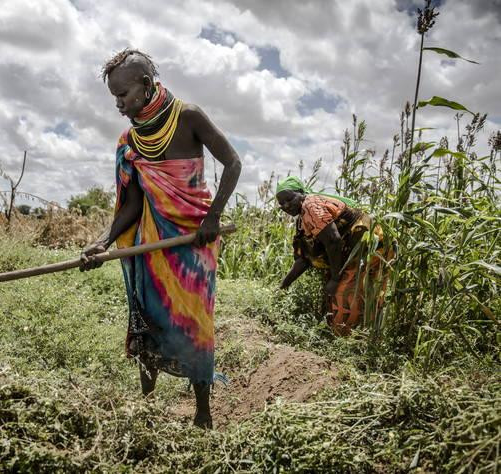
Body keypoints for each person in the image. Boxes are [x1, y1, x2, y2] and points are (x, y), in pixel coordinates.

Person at [79, 49, 241, 429]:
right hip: (150, 246)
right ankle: (148, 404)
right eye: (114, 97)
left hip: (194, 244)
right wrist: (102, 241)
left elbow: (233, 163)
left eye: (123, 95)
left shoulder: (188, 117)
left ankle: (203, 412)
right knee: (146, 320)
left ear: (147, 85)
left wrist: (213, 217)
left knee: (196, 323)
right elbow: (132, 206)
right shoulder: (129, 142)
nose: (118, 104)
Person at [276, 176, 394, 336]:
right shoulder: (303, 220)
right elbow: (304, 259)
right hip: (356, 252)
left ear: (301, 193)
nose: (286, 205)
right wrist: (282, 287)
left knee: (345, 296)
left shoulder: (311, 206)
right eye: (281, 203)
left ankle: (349, 343)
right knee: (355, 297)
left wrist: (335, 278)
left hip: (368, 247)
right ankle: (362, 337)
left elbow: (333, 241)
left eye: (289, 198)